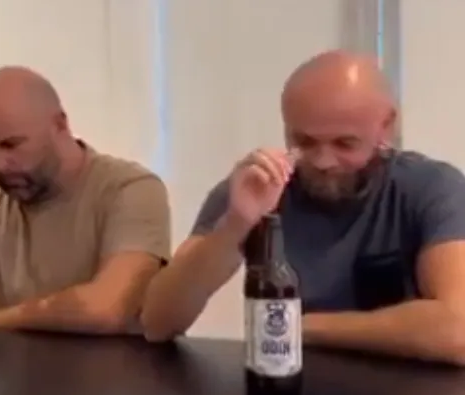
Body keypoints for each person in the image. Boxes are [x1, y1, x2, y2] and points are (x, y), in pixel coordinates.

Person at [141, 50, 465, 365]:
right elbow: (157, 323)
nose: (323, 161)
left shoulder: (432, 188)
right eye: (305, 142)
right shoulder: (259, 186)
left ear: (386, 126)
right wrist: (234, 226)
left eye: (345, 143)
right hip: (294, 381)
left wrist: (302, 326)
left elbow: (458, 331)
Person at [0, 66, 170, 335]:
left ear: (60, 125)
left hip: (116, 378)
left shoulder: (130, 188)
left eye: (11, 144)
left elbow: (108, 307)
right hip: (14, 378)